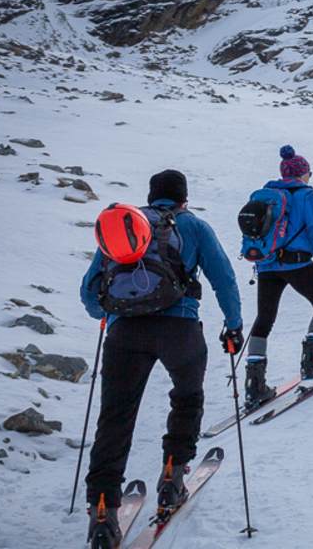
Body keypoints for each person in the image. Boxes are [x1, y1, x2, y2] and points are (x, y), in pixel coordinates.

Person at [79, 170, 243, 545]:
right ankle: (173, 474)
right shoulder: (195, 227)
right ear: (183, 197)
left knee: (116, 417)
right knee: (187, 397)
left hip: (125, 334)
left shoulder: (126, 227)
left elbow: (91, 289)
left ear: (152, 197)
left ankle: (103, 510)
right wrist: (233, 325)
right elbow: (224, 278)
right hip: (179, 330)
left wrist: (109, 314)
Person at [244, 145, 313, 407]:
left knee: (264, 319)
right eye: (309, 172)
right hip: (297, 264)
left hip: (266, 265)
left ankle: (254, 385)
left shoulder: (265, 195)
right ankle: (311, 367)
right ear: (302, 173)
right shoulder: (307, 195)